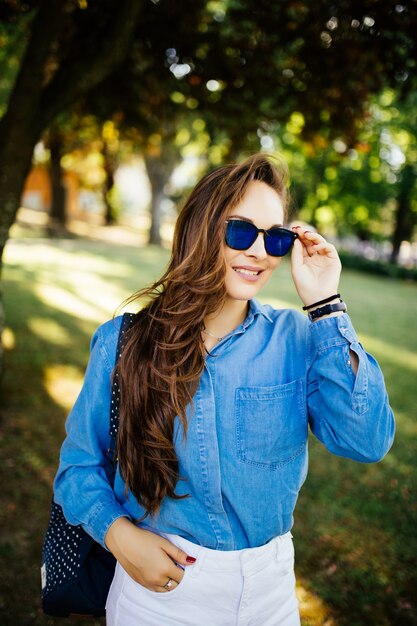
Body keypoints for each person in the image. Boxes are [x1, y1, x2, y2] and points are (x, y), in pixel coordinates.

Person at [54, 153, 395, 626]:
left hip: (271, 597)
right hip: (156, 597)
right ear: (201, 228)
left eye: (275, 238)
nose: (259, 251)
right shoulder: (122, 343)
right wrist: (119, 537)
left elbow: (368, 440)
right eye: (240, 231)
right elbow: (78, 467)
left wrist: (327, 305)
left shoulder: (298, 338)